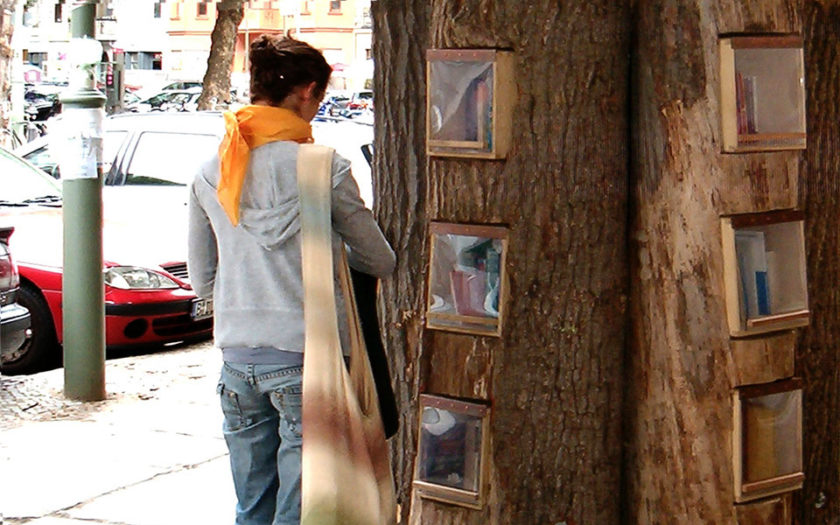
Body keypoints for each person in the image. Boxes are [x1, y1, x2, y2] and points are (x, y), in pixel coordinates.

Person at [187, 34, 396, 525]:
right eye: (319, 97)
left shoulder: (211, 169)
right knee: (305, 509)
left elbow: (201, 278)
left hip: (237, 361)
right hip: (312, 363)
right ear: (306, 92)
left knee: (253, 504)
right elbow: (378, 258)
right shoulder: (324, 167)